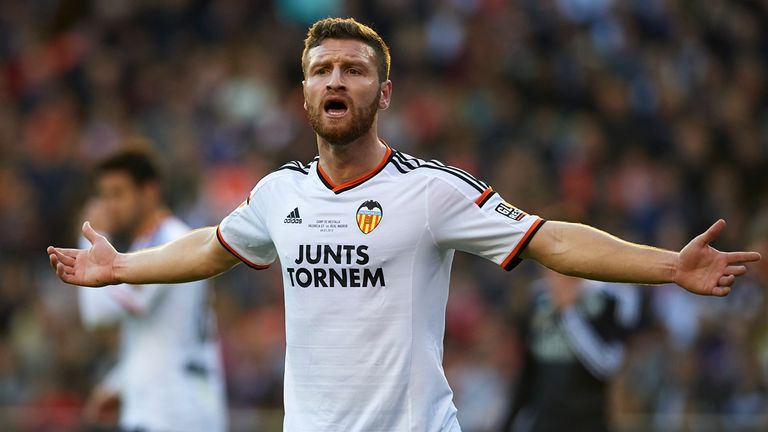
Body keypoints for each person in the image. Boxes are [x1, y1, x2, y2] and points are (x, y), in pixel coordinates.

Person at [47, 18, 760, 431]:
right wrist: (119, 267)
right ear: (303, 95)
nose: (335, 80)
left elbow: (552, 239)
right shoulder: (277, 194)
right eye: (321, 69)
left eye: (353, 70)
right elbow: (211, 248)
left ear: (382, 92)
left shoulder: (429, 191)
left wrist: (670, 265)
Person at [76, 150, 226, 432]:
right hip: (174, 405)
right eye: (104, 196)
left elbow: (98, 315)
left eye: (118, 194)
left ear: (149, 192)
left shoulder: (165, 242)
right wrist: (119, 383)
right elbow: (163, 335)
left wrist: (90, 238)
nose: (108, 206)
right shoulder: (156, 243)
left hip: (172, 412)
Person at [501, 269, 641, 432]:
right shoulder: (538, 298)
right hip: (544, 421)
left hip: (587, 421)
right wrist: (508, 423)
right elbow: (528, 373)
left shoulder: (609, 296)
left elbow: (609, 365)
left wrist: (570, 312)